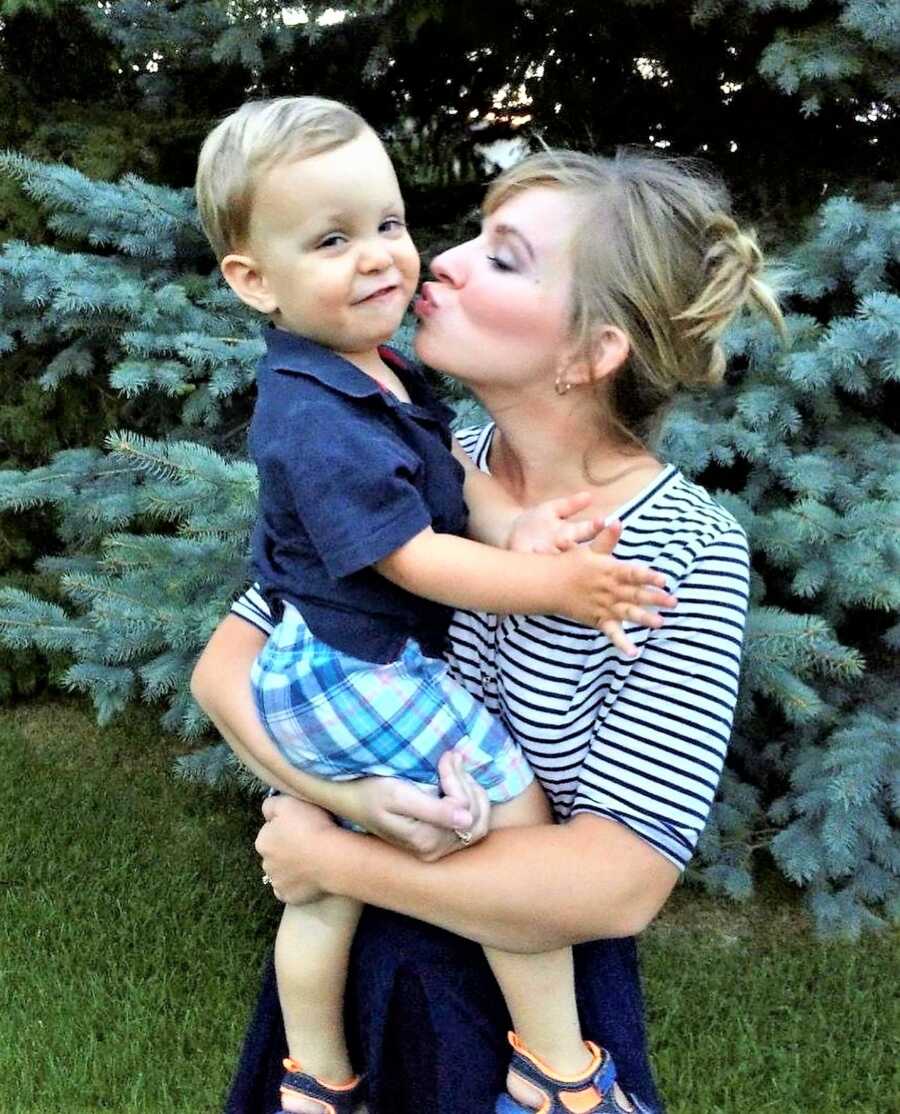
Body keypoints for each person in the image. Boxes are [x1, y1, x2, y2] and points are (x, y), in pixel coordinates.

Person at [193, 144, 784, 1114]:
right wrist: (348, 801)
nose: (443, 261)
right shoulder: (400, 462)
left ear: (593, 352)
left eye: (503, 257)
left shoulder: (682, 554)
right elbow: (226, 669)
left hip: (529, 1023)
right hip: (352, 986)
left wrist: (334, 854)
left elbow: (614, 884)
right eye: (469, 235)